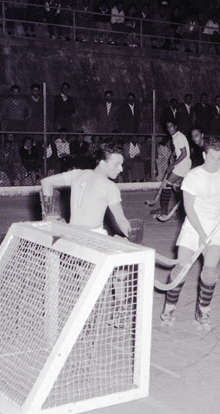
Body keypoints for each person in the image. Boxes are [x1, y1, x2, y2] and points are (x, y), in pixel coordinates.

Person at [40, 144, 133, 325]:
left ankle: (85, 318)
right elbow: (121, 221)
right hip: (93, 239)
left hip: (71, 237)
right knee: (122, 267)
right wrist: (134, 240)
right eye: (117, 164)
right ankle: (119, 312)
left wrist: (50, 214)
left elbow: (46, 182)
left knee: (88, 282)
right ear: (102, 162)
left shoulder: (78, 174)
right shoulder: (109, 186)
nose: (121, 169)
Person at [159, 138, 220, 329]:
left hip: (217, 227)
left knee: (210, 272)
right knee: (180, 270)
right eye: (212, 158)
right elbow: (188, 209)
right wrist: (201, 234)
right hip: (193, 227)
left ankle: (203, 309)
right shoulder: (193, 176)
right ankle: (169, 308)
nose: (216, 162)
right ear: (204, 155)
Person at [152, 120, 191, 222]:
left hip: (182, 165)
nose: (169, 129)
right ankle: (181, 210)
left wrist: (173, 165)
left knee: (166, 184)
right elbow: (180, 151)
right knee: (176, 187)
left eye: (171, 126)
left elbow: (184, 154)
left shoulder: (178, 137)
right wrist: (173, 154)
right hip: (184, 164)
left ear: (176, 126)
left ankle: (163, 210)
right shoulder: (176, 136)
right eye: (168, 127)